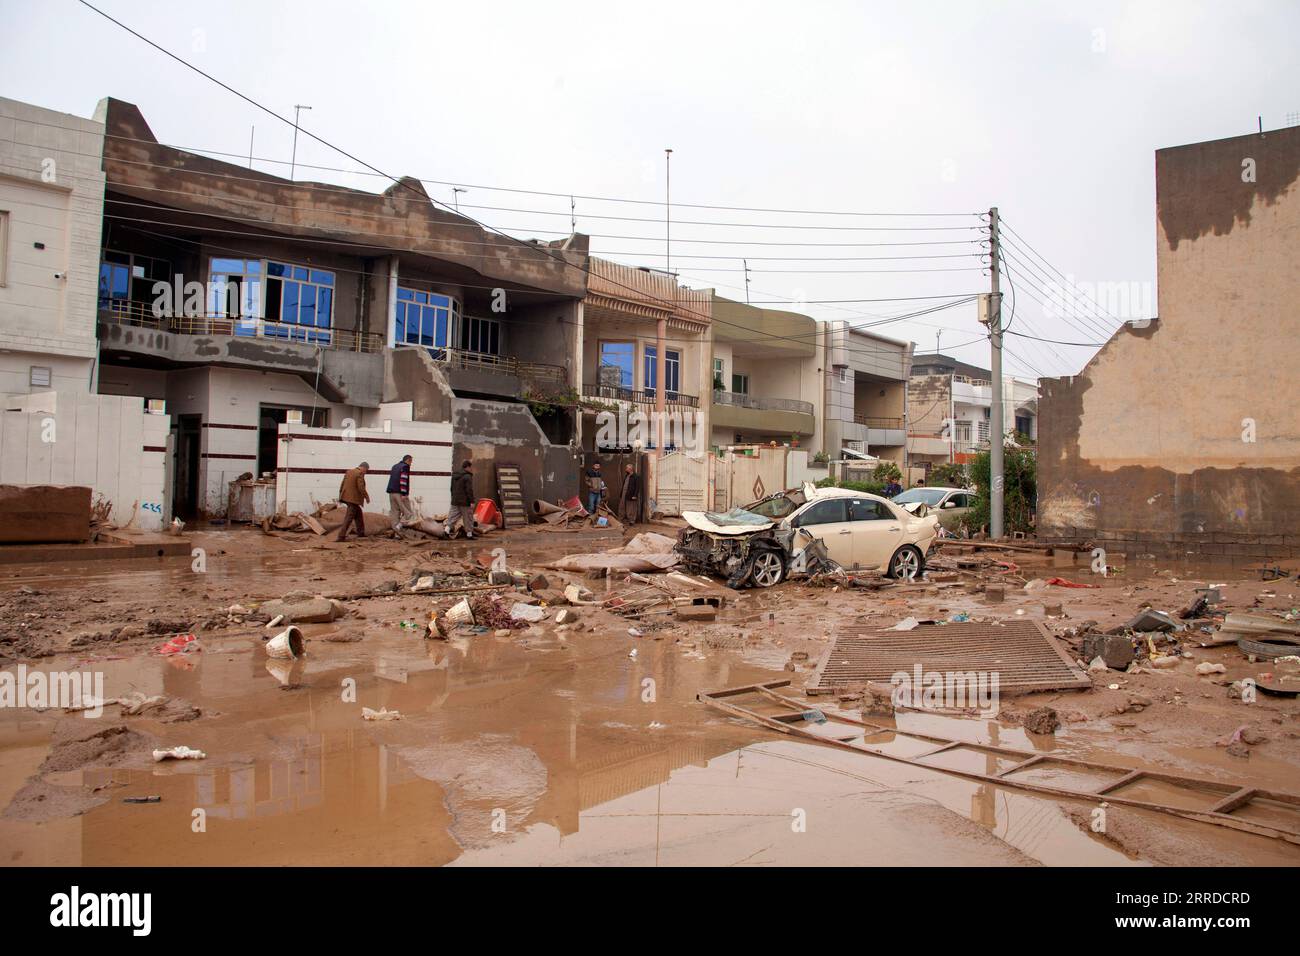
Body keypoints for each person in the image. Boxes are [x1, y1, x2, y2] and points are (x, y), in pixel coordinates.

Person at [336, 462, 370, 541]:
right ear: (364, 468)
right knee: (349, 517)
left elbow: (342, 484)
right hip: (353, 499)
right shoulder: (359, 473)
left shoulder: (349, 472)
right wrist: (366, 497)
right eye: (366, 470)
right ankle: (341, 536)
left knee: (358, 514)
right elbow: (361, 487)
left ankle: (361, 533)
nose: (366, 472)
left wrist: (341, 495)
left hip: (346, 497)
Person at [445, 458, 476, 539]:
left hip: (455, 500)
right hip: (465, 502)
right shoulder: (467, 476)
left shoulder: (455, 475)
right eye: (470, 467)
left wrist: (453, 497)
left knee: (452, 517)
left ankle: (446, 531)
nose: (471, 469)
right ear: (468, 467)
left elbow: (451, 488)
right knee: (468, 518)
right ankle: (469, 535)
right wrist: (472, 501)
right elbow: (469, 490)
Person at [386, 455, 415, 530]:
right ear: (408, 460)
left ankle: (396, 532)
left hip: (391, 493)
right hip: (400, 493)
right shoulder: (405, 467)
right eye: (411, 462)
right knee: (409, 513)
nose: (411, 464)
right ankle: (399, 526)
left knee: (395, 512)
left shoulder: (394, 466)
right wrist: (404, 494)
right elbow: (403, 480)